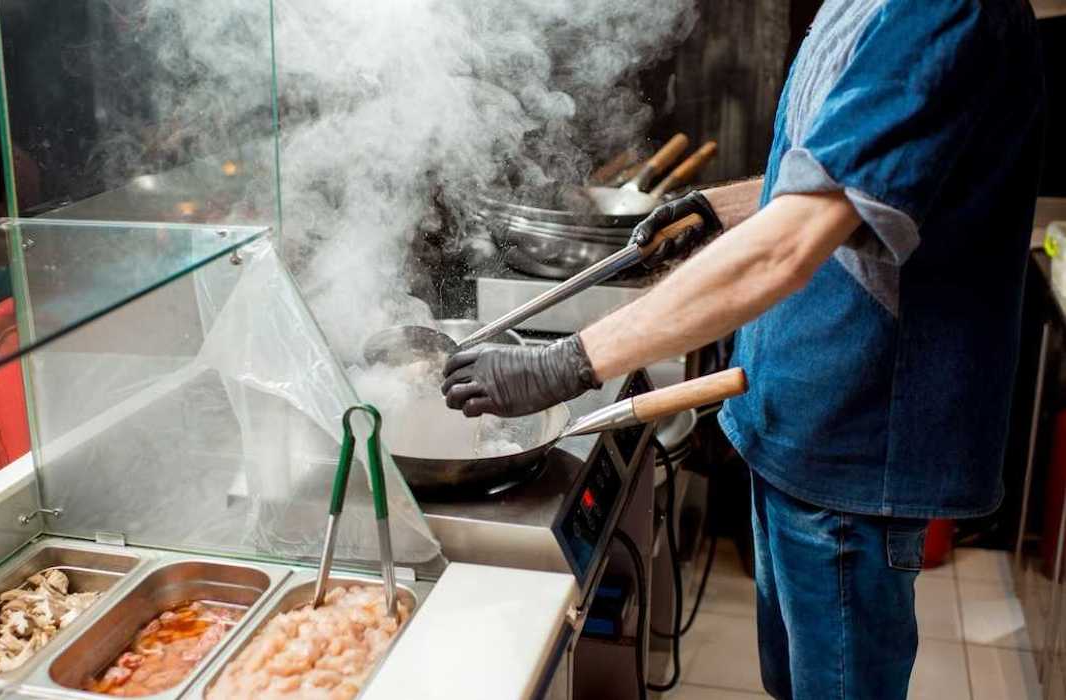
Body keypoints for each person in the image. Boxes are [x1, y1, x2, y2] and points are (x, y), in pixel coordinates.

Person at [441, 2, 1046, 698]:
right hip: (796, 417)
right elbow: (842, 177)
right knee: (789, 683)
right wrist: (720, 209)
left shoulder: (935, 11)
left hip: (853, 435)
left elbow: (790, 245)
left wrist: (564, 363)